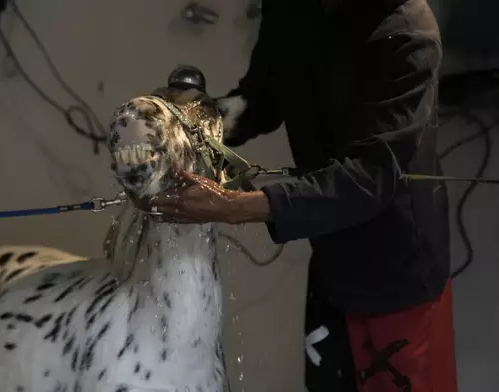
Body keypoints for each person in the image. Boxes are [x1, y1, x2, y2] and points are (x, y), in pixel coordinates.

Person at [136, 0, 458, 391]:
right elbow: (263, 95)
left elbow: (369, 177)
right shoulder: (291, 10)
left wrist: (234, 207)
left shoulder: (406, 31)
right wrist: (196, 125)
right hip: (332, 261)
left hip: (398, 275)